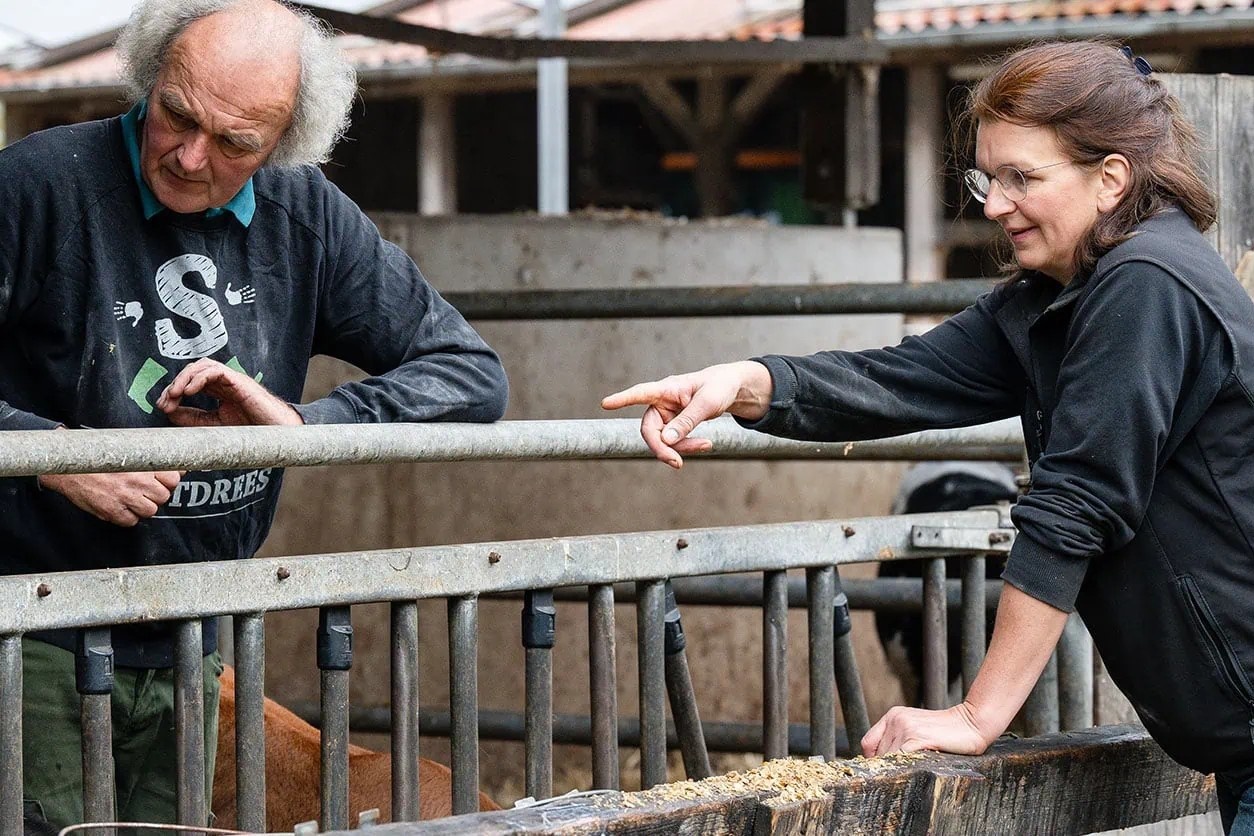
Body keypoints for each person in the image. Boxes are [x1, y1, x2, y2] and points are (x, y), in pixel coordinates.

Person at [604, 40, 1254, 834]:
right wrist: (743, 383)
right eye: (989, 177)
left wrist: (979, 716)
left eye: (1024, 177)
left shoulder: (1146, 286)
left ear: (1110, 178)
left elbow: (1077, 503)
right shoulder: (1054, 302)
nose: (993, 204)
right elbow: (900, 378)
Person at [0, 0, 508, 830]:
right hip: (34, 631)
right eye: (176, 115)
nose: (189, 156)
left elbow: (470, 372)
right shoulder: (36, 186)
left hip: (194, 637)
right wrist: (47, 454)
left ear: (281, 145)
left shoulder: (305, 215)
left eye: (234, 144)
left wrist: (305, 427)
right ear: (151, 75)